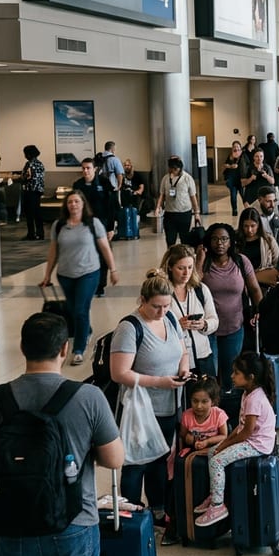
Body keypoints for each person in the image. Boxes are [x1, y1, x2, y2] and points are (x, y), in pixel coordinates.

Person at [0, 313, 124, 556]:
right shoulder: (89, 398)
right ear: (64, 348)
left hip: (12, 524)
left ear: (22, 347)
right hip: (74, 522)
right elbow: (114, 459)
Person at [110, 272, 190, 522]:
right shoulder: (129, 328)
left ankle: (158, 509)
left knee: (160, 460)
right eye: (156, 306)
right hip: (140, 411)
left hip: (168, 405)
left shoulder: (171, 319)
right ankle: (131, 514)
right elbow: (119, 373)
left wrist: (184, 369)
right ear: (142, 300)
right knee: (136, 465)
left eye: (166, 306)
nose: (162, 311)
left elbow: (183, 352)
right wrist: (159, 382)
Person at [194, 352, 278, 527]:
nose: (232, 376)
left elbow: (246, 433)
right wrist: (222, 444)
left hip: (258, 445)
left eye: (236, 373)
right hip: (251, 439)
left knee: (216, 461)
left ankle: (218, 506)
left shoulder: (254, 399)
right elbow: (240, 427)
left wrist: (225, 444)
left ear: (251, 377)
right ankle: (215, 493)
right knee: (212, 452)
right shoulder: (248, 393)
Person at [41, 190, 120, 365]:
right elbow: (53, 251)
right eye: (70, 202)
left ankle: (78, 349)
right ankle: (87, 330)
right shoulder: (59, 225)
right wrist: (47, 275)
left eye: (77, 201)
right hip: (65, 275)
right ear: (66, 205)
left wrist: (113, 269)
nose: (73, 205)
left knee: (80, 310)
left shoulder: (93, 223)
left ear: (83, 204)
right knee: (73, 309)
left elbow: (105, 247)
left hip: (89, 273)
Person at [200, 223, 264, 388]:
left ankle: (229, 401)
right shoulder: (203, 263)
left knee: (231, 374)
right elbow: (192, 285)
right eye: (215, 239)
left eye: (224, 239)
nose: (219, 243)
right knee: (210, 376)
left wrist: (260, 310)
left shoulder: (241, 261)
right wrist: (199, 260)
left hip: (234, 328)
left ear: (230, 242)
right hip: (207, 330)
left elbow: (254, 289)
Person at [160, 244, 219, 379]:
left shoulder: (200, 289)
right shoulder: (162, 292)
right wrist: (177, 326)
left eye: (190, 267)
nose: (186, 273)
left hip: (203, 357)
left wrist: (204, 324)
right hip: (176, 359)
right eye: (181, 268)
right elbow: (153, 327)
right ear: (170, 267)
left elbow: (214, 320)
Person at [74, 157, 118, 297]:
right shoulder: (78, 185)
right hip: (83, 226)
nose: (86, 171)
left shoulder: (104, 183)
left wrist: (111, 227)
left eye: (88, 168)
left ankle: (100, 285)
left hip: (102, 225)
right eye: (83, 168)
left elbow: (111, 206)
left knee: (102, 255)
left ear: (95, 169)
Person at [156, 155, 202, 247]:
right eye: (172, 168)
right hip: (169, 213)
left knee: (184, 240)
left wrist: (197, 213)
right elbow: (162, 194)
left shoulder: (187, 178)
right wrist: (158, 207)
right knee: (170, 240)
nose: (174, 171)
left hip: (184, 213)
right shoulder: (165, 179)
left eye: (176, 169)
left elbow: (193, 196)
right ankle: (171, 254)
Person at [237, 208, 279, 287]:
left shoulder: (268, 240)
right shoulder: (235, 241)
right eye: (246, 226)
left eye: (253, 226)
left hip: (264, 283)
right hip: (241, 282)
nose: (249, 230)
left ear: (258, 225)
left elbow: (277, 261)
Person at [20, 144, 46, 240]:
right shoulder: (40, 164)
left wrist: (20, 178)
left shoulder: (29, 164)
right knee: (37, 213)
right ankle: (40, 233)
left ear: (28, 154)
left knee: (29, 214)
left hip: (30, 191)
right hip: (38, 191)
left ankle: (31, 234)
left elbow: (26, 177)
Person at [224, 141, 246, 216]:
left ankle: (247, 209)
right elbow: (225, 164)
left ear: (240, 147)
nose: (236, 148)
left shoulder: (243, 155)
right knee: (233, 196)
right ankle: (234, 210)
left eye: (237, 146)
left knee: (244, 196)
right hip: (232, 179)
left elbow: (247, 165)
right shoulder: (230, 156)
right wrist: (230, 166)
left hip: (241, 179)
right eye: (234, 146)